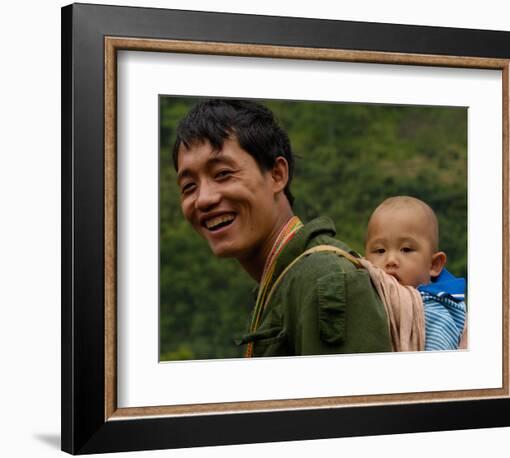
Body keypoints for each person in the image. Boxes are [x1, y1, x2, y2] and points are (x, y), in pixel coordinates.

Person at [173, 98, 392, 357]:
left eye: (223, 174)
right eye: (189, 187)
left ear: (277, 175)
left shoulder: (324, 279)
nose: (204, 199)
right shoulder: (283, 281)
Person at [364, 196, 467, 350]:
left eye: (406, 249)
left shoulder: (433, 312)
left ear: (433, 264)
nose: (391, 260)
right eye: (380, 250)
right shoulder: (364, 293)